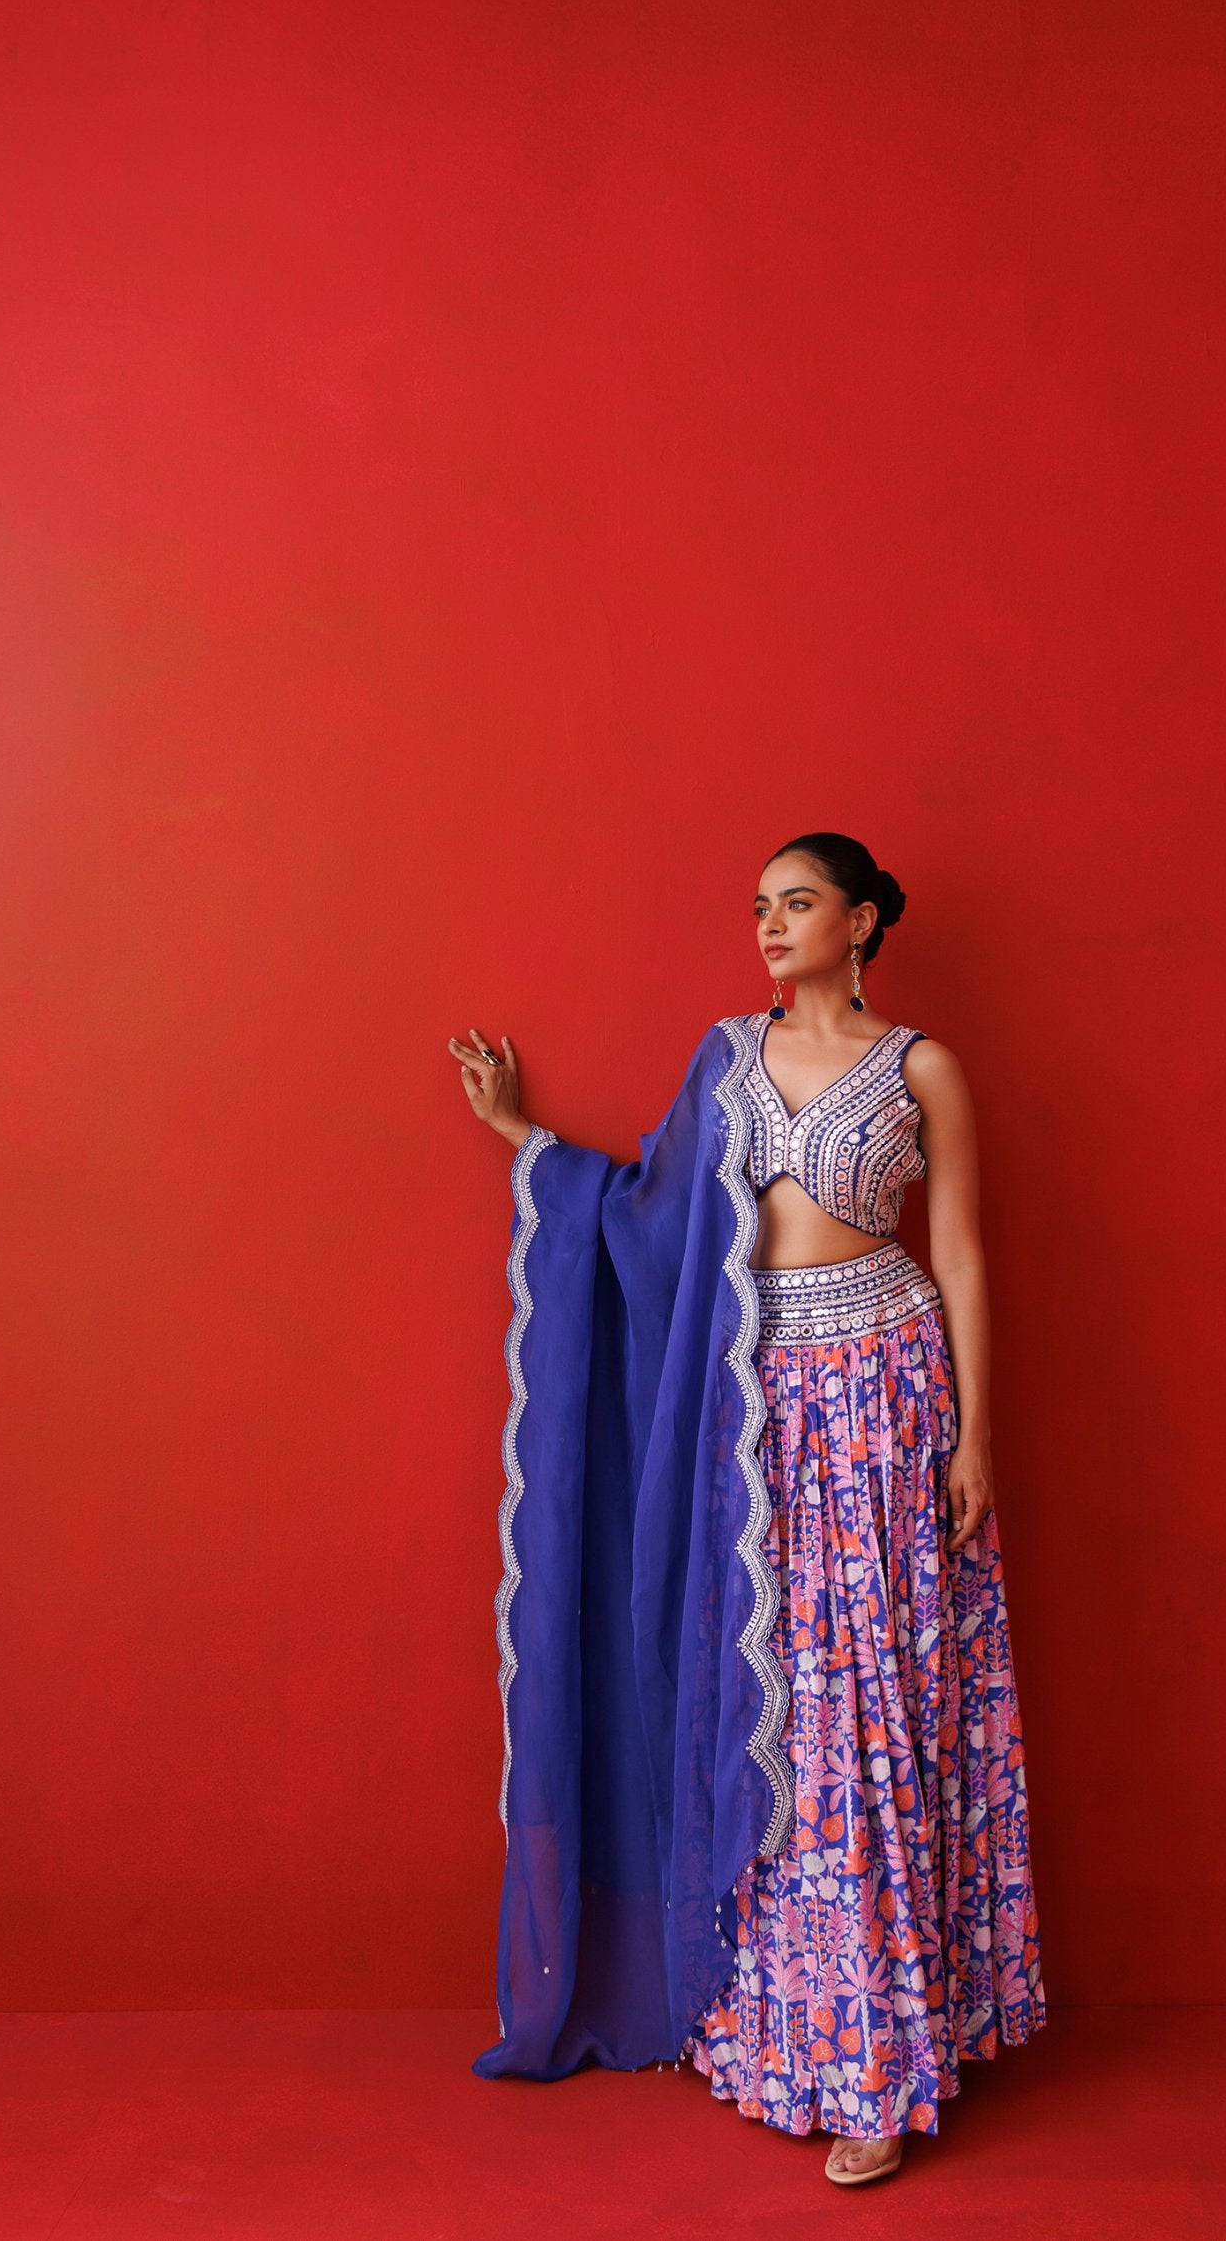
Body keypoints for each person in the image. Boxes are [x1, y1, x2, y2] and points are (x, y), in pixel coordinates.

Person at [448, 831, 1045, 2187]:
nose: (772, 925)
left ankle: (880, 2059)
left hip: (887, 1396)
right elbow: (652, 1217)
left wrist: (977, 1436)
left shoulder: (922, 1069)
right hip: (753, 1407)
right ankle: (787, 2030)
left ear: (864, 919)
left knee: (874, 1705)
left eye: (800, 902)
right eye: (761, 907)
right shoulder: (726, 1058)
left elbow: (959, 1253)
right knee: (774, 1704)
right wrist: (527, 1141)